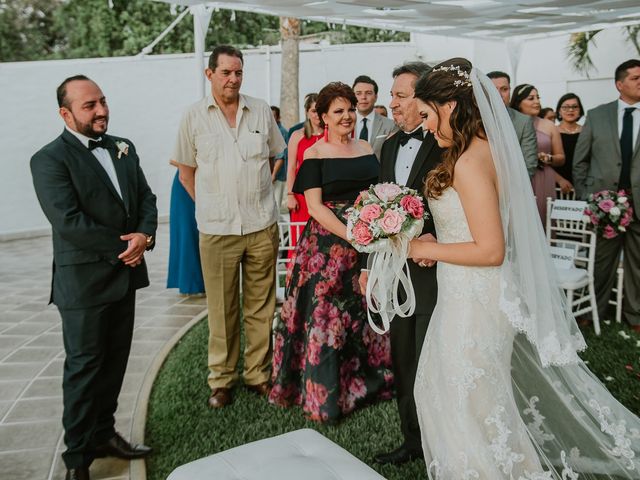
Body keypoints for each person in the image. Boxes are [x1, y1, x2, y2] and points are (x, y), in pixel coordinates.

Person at [408, 57, 640, 479]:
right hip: (469, 294)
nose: (424, 125)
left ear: (450, 106)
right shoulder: (486, 150)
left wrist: (419, 247)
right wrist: (437, 244)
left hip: (475, 300)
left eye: (426, 114)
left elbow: (491, 249)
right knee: (474, 403)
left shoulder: (468, 162)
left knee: (464, 403)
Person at [30, 75, 157, 480]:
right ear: (65, 113)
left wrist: (145, 235)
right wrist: (127, 248)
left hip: (125, 276)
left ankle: (104, 433)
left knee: (116, 363)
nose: (101, 110)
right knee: (84, 372)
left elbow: (147, 198)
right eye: (90, 105)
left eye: (102, 101)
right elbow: (70, 223)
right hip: (84, 286)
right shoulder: (49, 160)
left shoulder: (123, 147)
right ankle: (78, 460)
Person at [269, 82, 393, 423]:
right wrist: (355, 235)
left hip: (366, 242)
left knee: (362, 311)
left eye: (350, 109)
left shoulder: (366, 146)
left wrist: (374, 229)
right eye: (338, 111)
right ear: (323, 116)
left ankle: (366, 383)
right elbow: (315, 208)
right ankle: (325, 394)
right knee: (327, 318)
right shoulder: (315, 154)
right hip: (326, 249)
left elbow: (376, 193)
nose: (347, 116)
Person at [173, 45, 286, 409]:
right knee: (222, 310)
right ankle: (221, 380)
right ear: (210, 74)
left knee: (261, 307)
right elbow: (186, 172)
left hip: (261, 225)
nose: (233, 79)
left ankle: (258, 375)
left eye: (238, 72)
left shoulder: (260, 112)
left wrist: (256, 192)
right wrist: (212, 203)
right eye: (226, 73)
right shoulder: (193, 116)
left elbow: (273, 156)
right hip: (217, 230)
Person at [359, 61, 444, 466]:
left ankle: (441, 441)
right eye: (391, 94)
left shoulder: (447, 145)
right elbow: (376, 206)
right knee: (403, 357)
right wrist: (368, 266)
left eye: (399, 95)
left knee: (434, 358)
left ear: (425, 99)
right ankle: (412, 441)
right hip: (395, 270)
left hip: (437, 271)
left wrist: (435, 240)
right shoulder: (389, 145)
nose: (390, 102)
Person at [574, 59, 640, 332]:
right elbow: (580, 162)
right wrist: (590, 198)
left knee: (638, 264)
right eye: (636, 78)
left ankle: (634, 316)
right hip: (605, 206)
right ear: (619, 84)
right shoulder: (597, 114)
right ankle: (594, 311)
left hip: (639, 204)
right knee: (601, 262)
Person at [511, 83, 565, 225]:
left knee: (543, 219)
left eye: (538, 97)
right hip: (519, 177)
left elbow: (561, 158)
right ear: (518, 102)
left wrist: (549, 158)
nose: (537, 102)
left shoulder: (549, 125)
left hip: (543, 177)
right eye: (531, 98)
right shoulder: (510, 125)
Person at [487, 71, 538, 177]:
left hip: (514, 186)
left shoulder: (523, 121)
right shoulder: (471, 119)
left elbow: (529, 165)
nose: (499, 94)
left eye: (504, 89)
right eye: (493, 89)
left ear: (510, 90)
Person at [167, 159, 205, 295]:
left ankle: (204, 282)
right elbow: (173, 160)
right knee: (188, 233)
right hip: (187, 184)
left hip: (205, 183)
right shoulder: (187, 137)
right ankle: (192, 284)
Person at [286, 93, 321, 235]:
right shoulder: (297, 135)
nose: (317, 115)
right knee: (300, 236)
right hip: (301, 196)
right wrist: (290, 195)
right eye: (313, 111)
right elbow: (292, 167)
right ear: (307, 112)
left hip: (325, 195)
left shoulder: (331, 135)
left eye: (320, 110)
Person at [353, 74, 397, 160]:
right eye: (358, 93)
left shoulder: (391, 126)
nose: (363, 97)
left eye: (368, 93)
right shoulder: (344, 125)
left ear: (376, 97)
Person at [554, 93, 585, 194]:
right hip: (558, 186)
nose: (571, 110)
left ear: (580, 110)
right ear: (559, 111)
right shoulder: (552, 131)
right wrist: (559, 180)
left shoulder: (587, 131)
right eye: (566, 107)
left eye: (575, 107)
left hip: (584, 185)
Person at [271, 105, 289, 214]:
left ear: (278, 118)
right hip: (268, 175)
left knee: (275, 206)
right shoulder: (268, 130)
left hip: (277, 176)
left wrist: (273, 176)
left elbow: (280, 157)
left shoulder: (281, 132)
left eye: (273, 116)